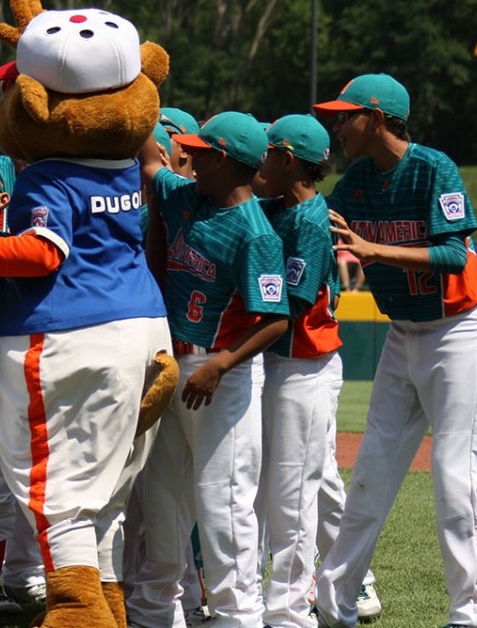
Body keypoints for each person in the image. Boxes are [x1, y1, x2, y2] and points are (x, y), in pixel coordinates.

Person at [312, 73, 477, 628]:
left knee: (456, 476)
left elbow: (456, 256)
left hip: (457, 331)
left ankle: (468, 612)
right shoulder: (356, 179)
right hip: (402, 332)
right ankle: (337, 604)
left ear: (377, 118)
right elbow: (317, 227)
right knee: (370, 474)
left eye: (346, 115)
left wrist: (373, 249)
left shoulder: (434, 167)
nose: (337, 124)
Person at [127, 112, 289, 628]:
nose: (188, 156)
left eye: (199, 150)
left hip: (220, 375)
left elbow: (276, 320)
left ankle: (236, 614)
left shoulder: (256, 232)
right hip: (173, 366)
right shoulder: (183, 194)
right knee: (163, 496)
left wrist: (221, 364)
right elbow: (150, 158)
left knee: (224, 505)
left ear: (222, 159)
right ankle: (157, 609)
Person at [253, 114, 343, 628]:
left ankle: (290, 610)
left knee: (292, 495)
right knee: (274, 491)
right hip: (278, 364)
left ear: (288, 161)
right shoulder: (275, 205)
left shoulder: (310, 220)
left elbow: (293, 302)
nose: (261, 161)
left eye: (267, 153)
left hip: (303, 367)